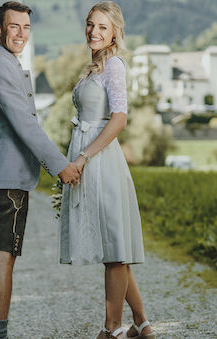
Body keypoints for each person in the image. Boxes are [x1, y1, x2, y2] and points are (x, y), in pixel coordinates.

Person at [0, 2, 81, 338]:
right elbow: (26, 126)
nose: (20, 34)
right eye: (13, 26)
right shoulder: (0, 67)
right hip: (6, 182)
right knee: (3, 260)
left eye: (26, 27)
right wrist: (61, 167)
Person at [58, 2, 155, 339]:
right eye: (90, 25)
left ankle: (110, 329)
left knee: (114, 249)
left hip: (101, 161)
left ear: (115, 32)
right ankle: (142, 325)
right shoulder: (92, 67)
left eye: (102, 26)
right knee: (113, 249)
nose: (93, 32)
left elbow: (119, 119)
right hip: (87, 157)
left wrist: (83, 157)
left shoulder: (114, 65)